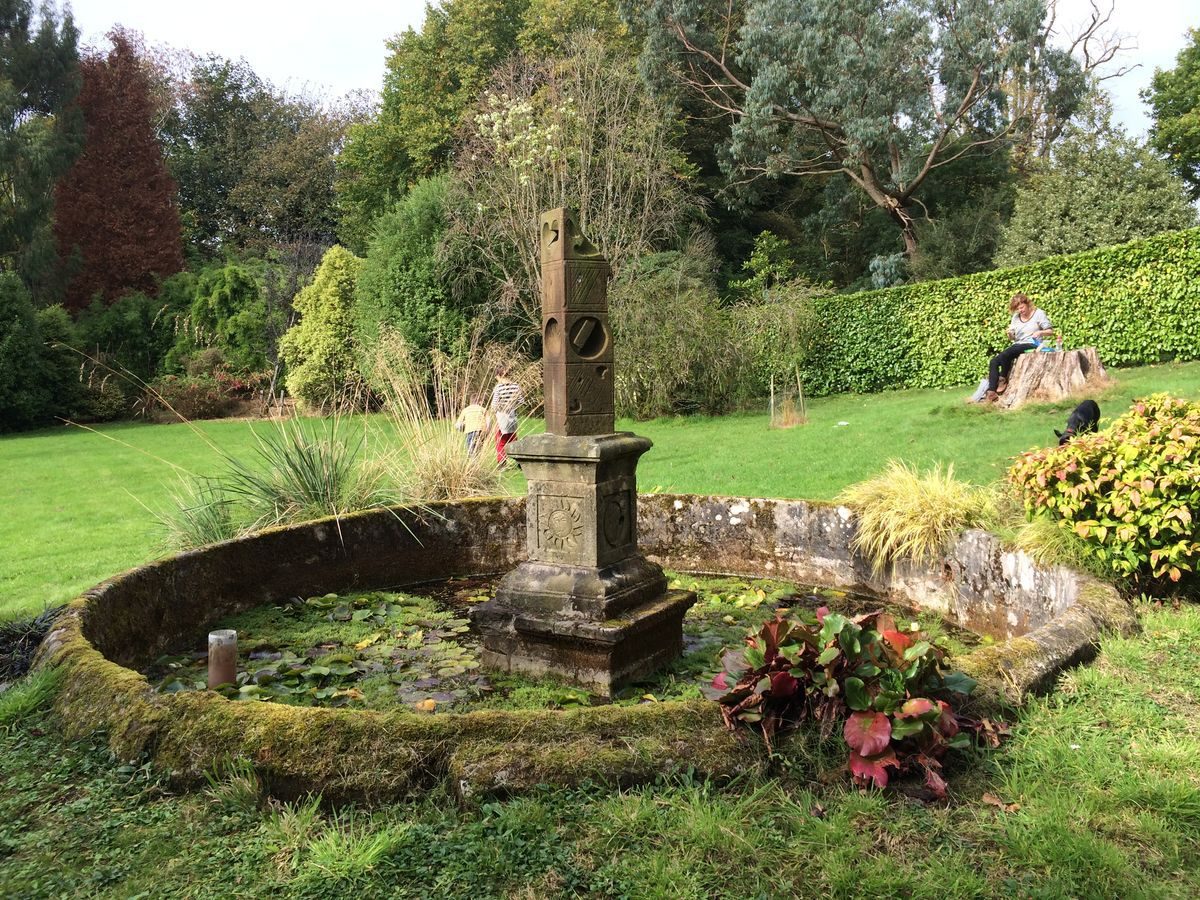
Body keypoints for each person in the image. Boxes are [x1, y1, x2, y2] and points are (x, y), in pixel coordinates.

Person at [984, 293, 1055, 402]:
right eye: (1017, 309)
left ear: (1027, 304)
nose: (1020, 311)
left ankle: (1003, 378)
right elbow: (1013, 338)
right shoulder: (1016, 317)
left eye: (1021, 307)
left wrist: (1040, 332)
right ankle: (991, 392)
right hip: (1018, 344)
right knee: (993, 361)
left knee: (1007, 353)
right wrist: (1010, 335)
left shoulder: (1038, 313)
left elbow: (1050, 331)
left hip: (1032, 343)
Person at [489, 369, 522, 465]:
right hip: (512, 416)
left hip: (501, 417)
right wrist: (512, 407)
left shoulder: (498, 387)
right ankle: (519, 461)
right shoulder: (516, 386)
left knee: (500, 441)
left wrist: (499, 409)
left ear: (498, 376)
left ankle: (502, 462)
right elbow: (521, 401)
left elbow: (494, 405)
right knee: (513, 439)